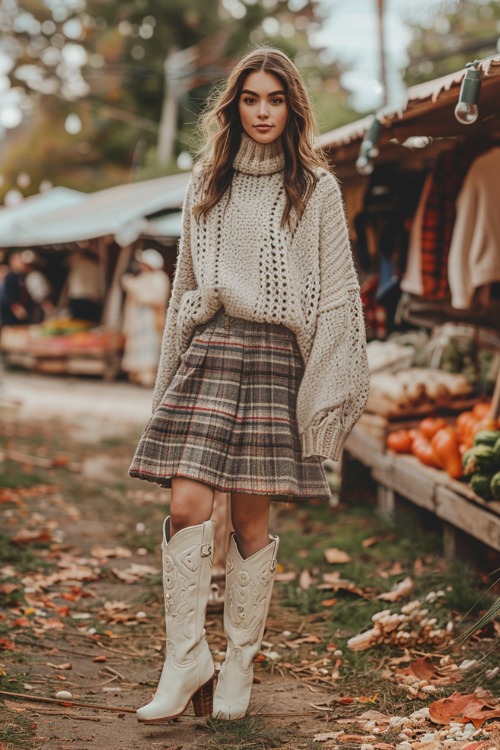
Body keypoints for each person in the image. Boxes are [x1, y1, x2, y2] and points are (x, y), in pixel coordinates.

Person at [129, 47, 369, 724]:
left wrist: (320, 397)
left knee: (252, 519)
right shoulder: (207, 180)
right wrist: (166, 379)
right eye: (250, 99)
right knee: (186, 503)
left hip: (274, 363)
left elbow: (335, 300)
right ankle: (185, 659)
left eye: (275, 99)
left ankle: (238, 662)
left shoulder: (316, 186)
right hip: (212, 348)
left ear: (292, 107)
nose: (263, 111)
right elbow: (183, 286)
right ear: (233, 105)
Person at [121, 248, 171, 386]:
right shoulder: (142, 277)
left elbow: (154, 298)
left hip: (150, 317)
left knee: (150, 345)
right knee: (136, 345)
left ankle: (148, 374)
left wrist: (132, 287)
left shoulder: (160, 278)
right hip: (137, 318)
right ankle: (136, 373)